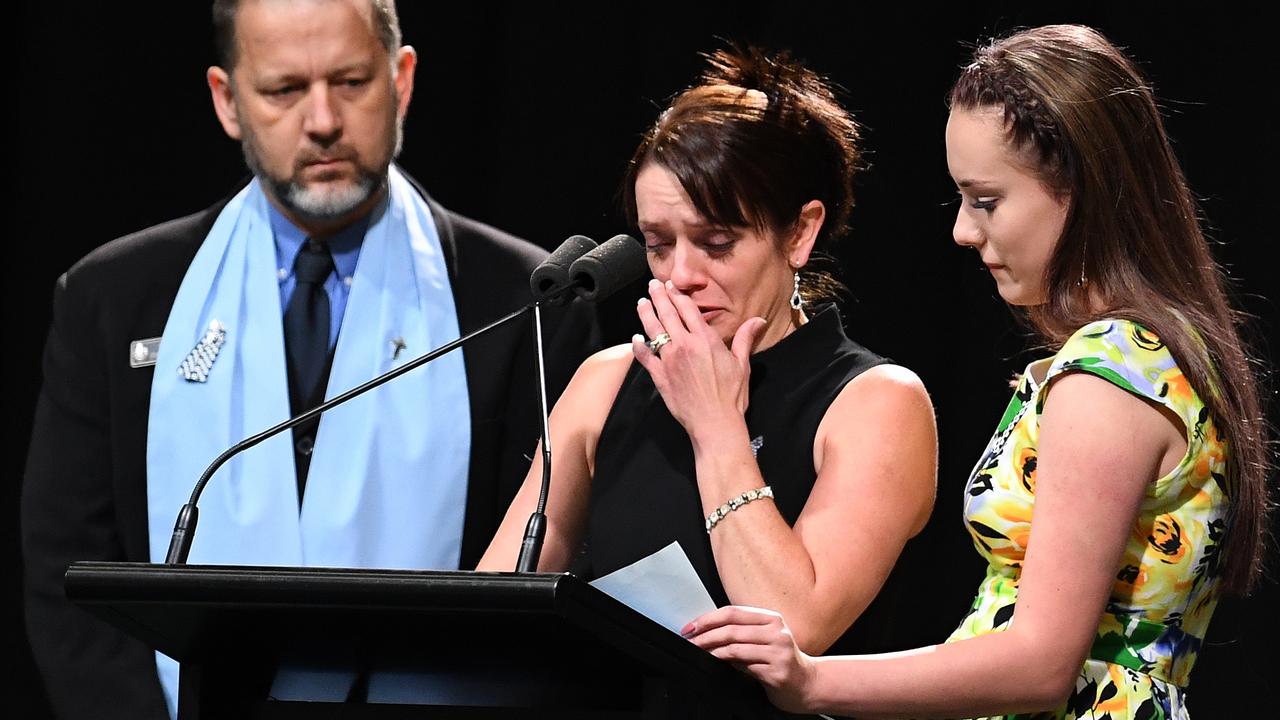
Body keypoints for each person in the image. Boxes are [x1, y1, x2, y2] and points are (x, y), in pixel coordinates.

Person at [21, 1, 596, 718]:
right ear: (227, 102)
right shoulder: (112, 300)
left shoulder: (525, 304)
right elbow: (66, 574)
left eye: (351, 82)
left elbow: (544, 595)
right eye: (284, 90)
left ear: (403, 80)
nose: (322, 120)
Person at [683, 24, 1271, 720]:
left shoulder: (1108, 376)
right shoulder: (1150, 357)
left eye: (986, 200)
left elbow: (1040, 662)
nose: (963, 230)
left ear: (1080, 188)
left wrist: (813, 681)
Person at [479, 47, 937, 659]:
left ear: (800, 232)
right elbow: (491, 612)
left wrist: (717, 426)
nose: (681, 274)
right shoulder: (607, 382)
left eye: (717, 242)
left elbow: (795, 623)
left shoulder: (876, 403)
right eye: (659, 244)